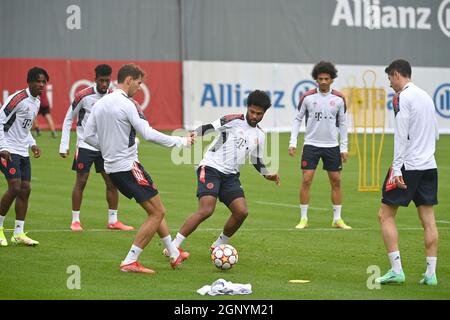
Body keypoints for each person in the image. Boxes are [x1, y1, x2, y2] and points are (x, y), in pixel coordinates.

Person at [84, 63, 194, 273]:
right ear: (128, 80)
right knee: (157, 212)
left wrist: (108, 147)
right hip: (128, 166)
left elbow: (88, 136)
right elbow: (149, 134)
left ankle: (173, 252)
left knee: (156, 208)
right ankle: (130, 261)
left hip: (113, 168)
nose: (140, 88)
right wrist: (181, 142)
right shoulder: (127, 104)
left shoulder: (101, 103)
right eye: (139, 83)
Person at [167, 90, 280, 254]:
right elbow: (209, 127)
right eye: (252, 111)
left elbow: (256, 159)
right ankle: (173, 246)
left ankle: (219, 244)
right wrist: (194, 134)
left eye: (259, 114)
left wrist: (267, 174)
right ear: (247, 107)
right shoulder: (233, 120)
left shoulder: (260, 135)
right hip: (211, 167)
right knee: (206, 209)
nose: (254, 116)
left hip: (231, 176)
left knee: (241, 212)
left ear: (264, 113)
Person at [375, 59, 439, 286]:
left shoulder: (402, 97)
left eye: (389, 79)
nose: (390, 84)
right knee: (428, 220)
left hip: (407, 166)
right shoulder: (427, 97)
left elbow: (400, 134)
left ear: (395, 74)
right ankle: (431, 274)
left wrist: (396, 168)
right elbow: (436, 133)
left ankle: (396, 270)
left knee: (385, 215)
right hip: (429, 165)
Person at [59, 64, 133, 232]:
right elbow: (68, 118)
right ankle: (75, 220)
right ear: (95, 79)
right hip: (85, 144)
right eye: (102, 81)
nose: (105, 84)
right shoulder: (83, 95)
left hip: (106, 147)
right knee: (82, 181)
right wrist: (64, 144)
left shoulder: (114, 96)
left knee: (112, 182)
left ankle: (113, 221)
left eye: (107, 81)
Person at [289, 61, 351, 230]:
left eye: (326, 78)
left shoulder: (339, 99)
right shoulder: (308, 97)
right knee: (307, 179)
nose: (323, 81)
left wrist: (344, 148)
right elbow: (297, 119)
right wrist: (293, 142)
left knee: (336, 181)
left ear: (332, 79)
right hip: (311, 145)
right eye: (320, 79)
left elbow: (343, 124)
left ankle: (337, 219)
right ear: (316, 79)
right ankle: (303, 219)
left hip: (332, 146)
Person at [0, 67, 49, 247]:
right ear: (29, 82)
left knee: (25, 188)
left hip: (22, 151)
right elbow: (0, 120)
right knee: (14, 187)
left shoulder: (36, 102)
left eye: (44, 82)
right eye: (38, 81)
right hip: (7, 149)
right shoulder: (18, 98)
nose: (42, 85)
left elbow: (24, 128)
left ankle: (18, 233)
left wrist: (32, 143)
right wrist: (2, 147)